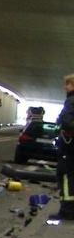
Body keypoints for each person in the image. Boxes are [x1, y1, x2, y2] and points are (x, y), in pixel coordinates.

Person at [53, 73, 74, 221]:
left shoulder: (71, 101)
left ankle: (67, 210)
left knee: (66, 176)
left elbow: (66, 122)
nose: (65, 87)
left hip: (69, 147)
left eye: (68, 84)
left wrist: (60, 122)